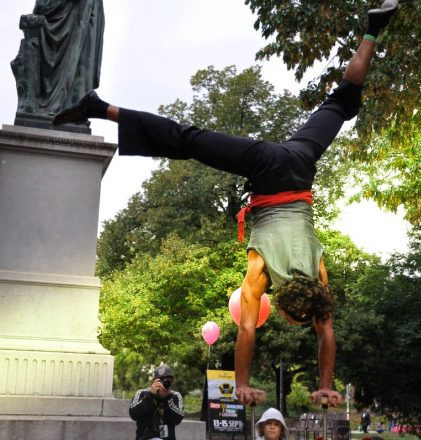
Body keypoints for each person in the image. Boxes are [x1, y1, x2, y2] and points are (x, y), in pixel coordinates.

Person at [53, 1, 398, 407]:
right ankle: (99, 107)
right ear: (286, 311)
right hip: (267, 171)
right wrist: (243, 382)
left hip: (301, 162)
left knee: (342, 102)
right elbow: (248, 330)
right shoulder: (260, 273)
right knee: (187, 139)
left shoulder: (318, 275)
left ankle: (373, 30)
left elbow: (326, 332)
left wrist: (326, 383)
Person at [129, 364, 184, 440]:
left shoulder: (175, 396)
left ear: (172, 381)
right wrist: (150, 395)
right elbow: (134, 414)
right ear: (153, 381)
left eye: (167, 380)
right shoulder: (142, 393)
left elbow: (177, 419)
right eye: (160, 380)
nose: (163, 383)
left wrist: (167, 398)